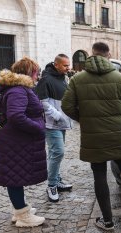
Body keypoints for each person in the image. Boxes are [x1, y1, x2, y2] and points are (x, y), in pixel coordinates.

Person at [62, 42, 121, 231]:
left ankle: (107, 221)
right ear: (108, 55)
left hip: (93, 136)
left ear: (92, 54)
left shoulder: (77, 79)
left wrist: (84, 119)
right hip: (118, 134)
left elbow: (66, 106)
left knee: (99, 174)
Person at [0, 57, 47, 227]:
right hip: (15, 142)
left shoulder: (17, 89)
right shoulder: (18, 90)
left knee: (16, 175)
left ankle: (20, 210)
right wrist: (38, 127)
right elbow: (16, 116)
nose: (37, 76)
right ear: (29, 72)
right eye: (36, 72)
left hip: (16, 140)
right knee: (14, 177)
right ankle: (23, 216)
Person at [35, 54, 73, 202]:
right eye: (65, 65)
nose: (68, 68)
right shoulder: (45, 79)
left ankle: (56, 180)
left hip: (62, 122)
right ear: (56, 65)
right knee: (58, 152)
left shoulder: (64, 78)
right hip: (51, 124)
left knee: (54, 152)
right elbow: (42, 102)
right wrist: (58, 115)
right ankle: (51, 185)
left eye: (68, 65)